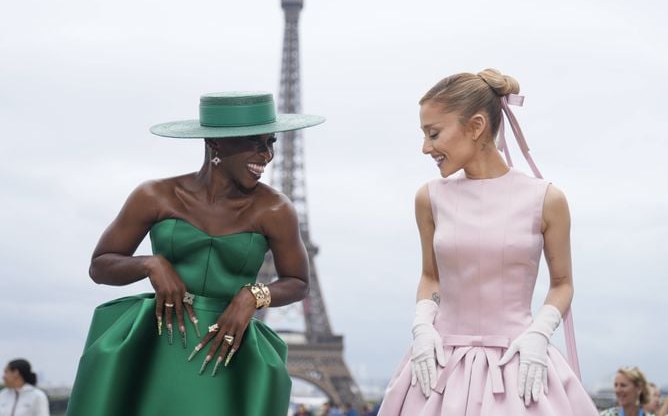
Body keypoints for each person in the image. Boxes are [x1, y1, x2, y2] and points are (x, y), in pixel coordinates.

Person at [65, 92, 324, 416]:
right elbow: (100, 267)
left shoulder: (276, 209)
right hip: (157, 341)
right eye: (255, 143)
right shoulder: (154, 195)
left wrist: (252, 296)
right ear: (216, 144)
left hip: (228, 347)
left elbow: (298, 282)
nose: (267, 155)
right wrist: (151, 264)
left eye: (270, 142)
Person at [377, 69, 598, 414]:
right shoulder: (429, 198)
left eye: (433, 133)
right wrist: (422, 325)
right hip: (438, 368)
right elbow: (431, 277)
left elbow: (562, 283)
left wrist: (539, 334)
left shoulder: (547, 199)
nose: (425, 148)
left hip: (520, 360)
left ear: (476, 126)